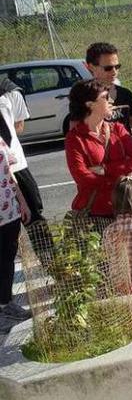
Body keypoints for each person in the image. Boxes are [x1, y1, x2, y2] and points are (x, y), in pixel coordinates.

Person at [65, 79, 132, 218]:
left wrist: (106, 169)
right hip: (96, 212)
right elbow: (82, 177)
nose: (111, 100)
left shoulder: (118, 129)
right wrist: (120, 180)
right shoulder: (75, 138)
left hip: (126, 208)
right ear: (89, 104)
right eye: (105, 97)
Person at [0, 80, 44, 228]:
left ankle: (45, 251)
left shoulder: (10, 91)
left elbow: (19, 126)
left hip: (16, 164)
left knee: (34, 215)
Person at [85, 42, 132, 149]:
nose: (114, 72)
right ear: (91, 67)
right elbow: (75, 135)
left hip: (126, 156)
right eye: (108, 68)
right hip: (100, 158)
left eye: (117, 67)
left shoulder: (125, 94)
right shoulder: (83, 97)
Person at [0, 137, 31, 322]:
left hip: (9, 210)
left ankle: (6, 302)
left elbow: (8, 173)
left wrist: (22, 201)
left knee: (8, 257)